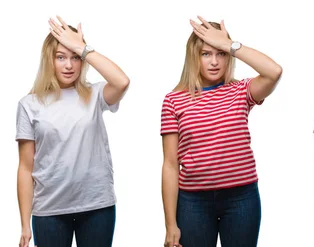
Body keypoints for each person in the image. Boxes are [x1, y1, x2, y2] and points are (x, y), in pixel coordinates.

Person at [160, 16, 283, 247]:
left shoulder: (241, 90)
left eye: (221, 54)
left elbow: (274, 71)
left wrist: (231, 44)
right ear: (193, 57)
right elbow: (169, 163)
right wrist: (170, 224)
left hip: (241, 198)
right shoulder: (173, 101)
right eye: (206, 54)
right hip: (193, 201)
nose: (214, 61)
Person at [16, 16, 130, 247]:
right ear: (49, 60)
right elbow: (26, 167)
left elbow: (122, 82)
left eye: (75, 58)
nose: (69, 65)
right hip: (49, 210)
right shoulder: (29, 104)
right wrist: (25, 223)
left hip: (97, 206)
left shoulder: (96, 94)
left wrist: (83, 47)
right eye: (61, 57)